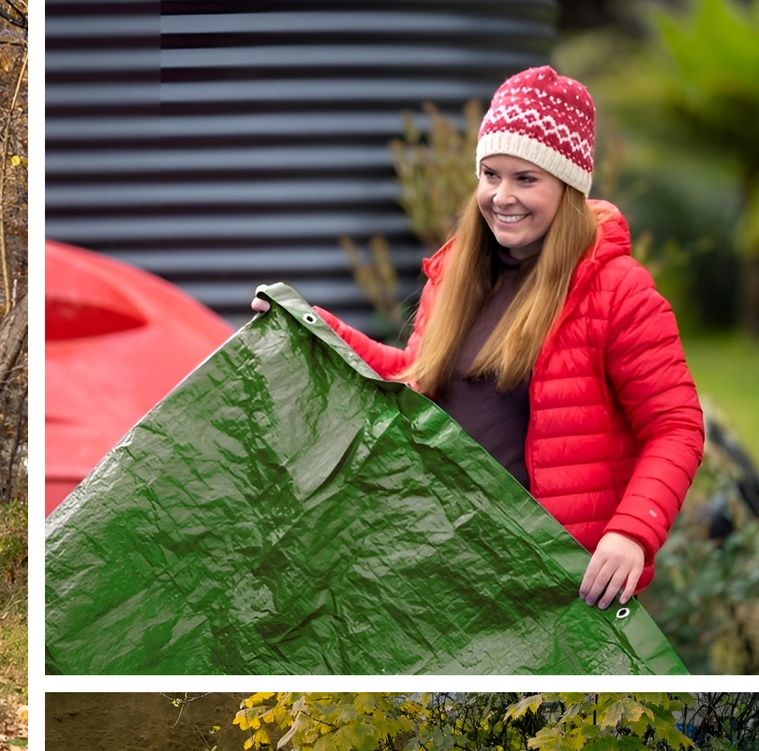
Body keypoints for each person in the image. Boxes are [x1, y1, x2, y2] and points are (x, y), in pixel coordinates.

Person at [254, 65, 705, 611]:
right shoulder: (457, 277)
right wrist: (314, 327)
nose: (502, 196)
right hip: (450, 571)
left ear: (567, 186)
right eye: (491, 175)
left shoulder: (615, 290)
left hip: (552, 590)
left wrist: (632, 532)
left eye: (526, 179)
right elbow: (415, 385)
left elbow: (676, 426)